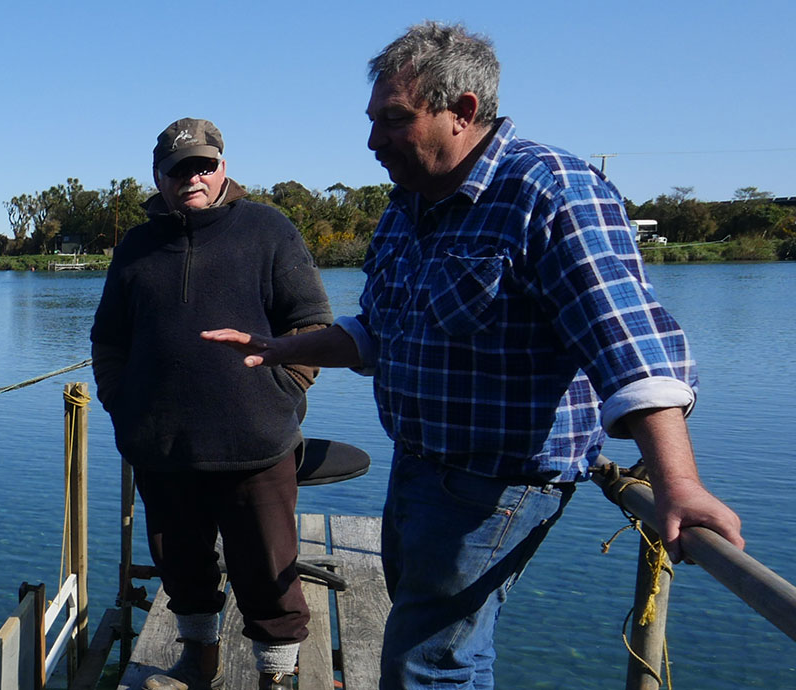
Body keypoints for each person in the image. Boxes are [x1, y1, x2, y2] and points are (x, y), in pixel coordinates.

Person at [201, 21, 745, 689]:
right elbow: (376, 331)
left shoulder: (548, 191)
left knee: (426, 665)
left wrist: (678, 484)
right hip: (419, 465)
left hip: (497, 483)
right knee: (437, 649)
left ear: (461, 111)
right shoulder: (410, 205)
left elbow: (632, 347)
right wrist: (279, 346)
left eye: (394, 119)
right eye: (372, 120)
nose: (373, 140)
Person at [91, 117, 333, 690]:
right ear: (159, 176)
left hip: (256, 444)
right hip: (162, 445)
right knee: (182, 567)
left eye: (203, 165)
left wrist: (282, 390)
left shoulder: (268, 230)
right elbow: (108, 338)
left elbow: (312, 324)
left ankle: (275, 677)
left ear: (223, 166)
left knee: (269, 572)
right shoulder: (136, 246)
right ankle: (199, 660)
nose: (192, 177)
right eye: (179, 169)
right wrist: (121, 402)